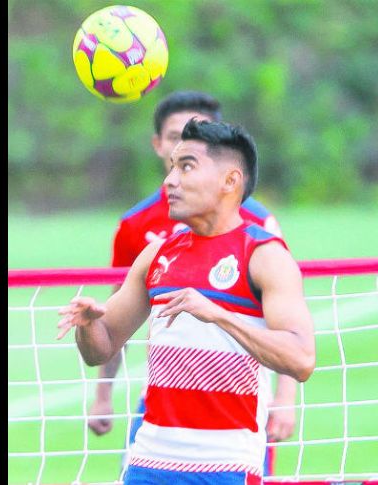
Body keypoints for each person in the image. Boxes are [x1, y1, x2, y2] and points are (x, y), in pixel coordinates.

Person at [57, 119, 316, 484]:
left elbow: (302, 360)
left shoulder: (264, 255)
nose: (169, 181)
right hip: (148, 463)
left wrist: (221, 317)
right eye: (172, 166)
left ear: (230, 181)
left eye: (187, 166)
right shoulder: (156, 254)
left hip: (226, 467)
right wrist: (87, 326)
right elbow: (100, 349)